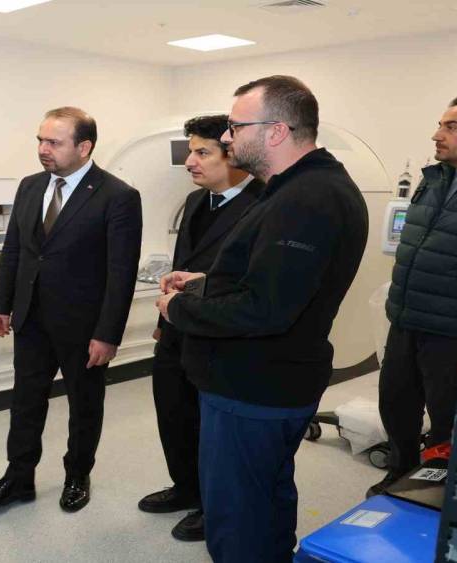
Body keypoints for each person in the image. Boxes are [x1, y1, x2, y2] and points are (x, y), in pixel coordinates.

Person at [156, 76, 368, 562]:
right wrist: (205, 282)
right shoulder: (293, 189)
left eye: (235, 127)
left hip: (255, 388)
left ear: (275, 131)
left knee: (238, 519)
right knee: (265, 499)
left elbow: (264, 309)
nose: (226, 137)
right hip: (266, 382)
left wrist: (178, 308)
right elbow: (276, 279)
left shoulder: (307, 199)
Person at [0, 107, 143, 512]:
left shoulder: (117, 196)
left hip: (84, 325)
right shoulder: (31, 186)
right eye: (40, 140)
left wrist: (108, 334)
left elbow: (121, 273)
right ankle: (18, 477)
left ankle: (77, 475)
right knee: (25, 401)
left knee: (84, 405)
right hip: (31, 317)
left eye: (54, 142)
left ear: (84, 147)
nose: (43, 149)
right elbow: (15, 250)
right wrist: (3, 304)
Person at [137, 114, 262, 542]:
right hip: (177, 330)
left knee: (215, 431)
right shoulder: (195, 201)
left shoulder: (263, 206)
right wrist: (162, 323)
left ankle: (214, 506)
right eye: (191, 151)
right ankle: (186, 486)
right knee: (174, 415)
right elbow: (181, 267)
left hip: (221, 337)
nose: (190, 161)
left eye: (202, 152)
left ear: (234, 154)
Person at [368, 93, 457, 498]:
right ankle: (400, 472)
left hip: (454, 328)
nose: (437, 134)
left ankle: (440, 488)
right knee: (395, 403)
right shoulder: (433, 178)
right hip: (406, 316)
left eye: (452, 126)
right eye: (441, 124)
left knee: (447, 416)